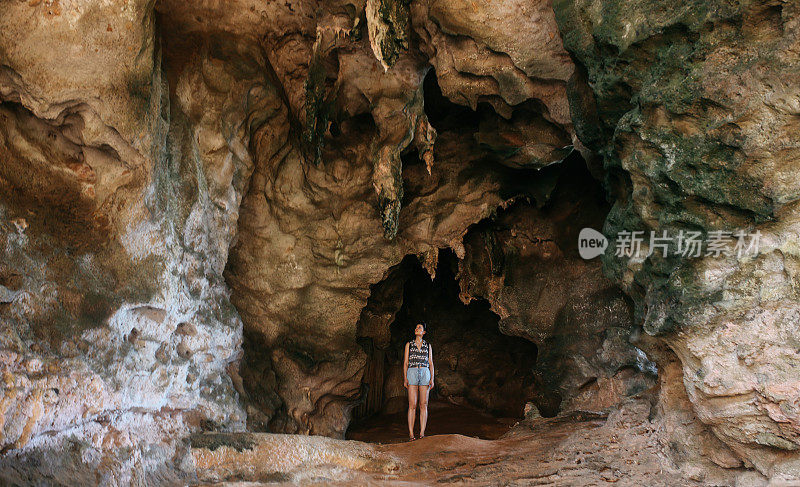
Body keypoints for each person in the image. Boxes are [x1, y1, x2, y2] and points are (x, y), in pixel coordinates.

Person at [403, 321, 434, 441]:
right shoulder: (409, 345)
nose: (417, 329)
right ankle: (411, 434)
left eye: (419, 327)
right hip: (412, 372)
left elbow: (431, 363)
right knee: (412, 404)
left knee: (423, 404)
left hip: (425, 372)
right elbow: (405, 362)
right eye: (416, 327)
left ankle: (422, 433)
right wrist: (405, 378)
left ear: (424, 332)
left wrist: (432, 378)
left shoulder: (428, 345)